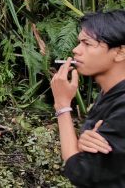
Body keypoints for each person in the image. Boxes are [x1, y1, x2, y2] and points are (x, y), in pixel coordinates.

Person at [51, 10, 125, 187]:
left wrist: (62, 106)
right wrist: (83, 141)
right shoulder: (109, 94)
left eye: (87, 43)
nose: (76, 51)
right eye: (78, 43)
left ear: (120, 52)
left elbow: (80, 172)